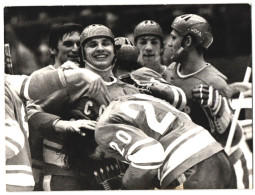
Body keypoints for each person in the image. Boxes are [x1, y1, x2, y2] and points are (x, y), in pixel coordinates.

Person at [26, 24, 139, 191]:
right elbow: (30, 112)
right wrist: (65, 125)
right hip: (68, 176)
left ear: (115, 51)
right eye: (92, 45)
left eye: (105, 44)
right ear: (82, 52)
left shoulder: (130, 91)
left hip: (111, 176)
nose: (100, 49)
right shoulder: (72, 82)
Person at [164, 14, 249, 188]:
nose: (169, 43)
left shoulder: (214, 82)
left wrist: (219, 111)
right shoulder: (172, 70)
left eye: (173, 38)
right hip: (182, 166)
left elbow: (232, 138)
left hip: (215, 172)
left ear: (187, 42)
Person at [95, 93, 237, 189]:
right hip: (215, 153)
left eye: (102, 155)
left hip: (189, 167)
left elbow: (150, 155)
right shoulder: (133, 97)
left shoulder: (103, 128)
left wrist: (125, 186)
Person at [5, 63, 103, 192]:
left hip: (14, 178)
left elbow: (33, 85)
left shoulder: (7, 81)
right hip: (24, 175)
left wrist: (80, 73)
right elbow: (11, 139)